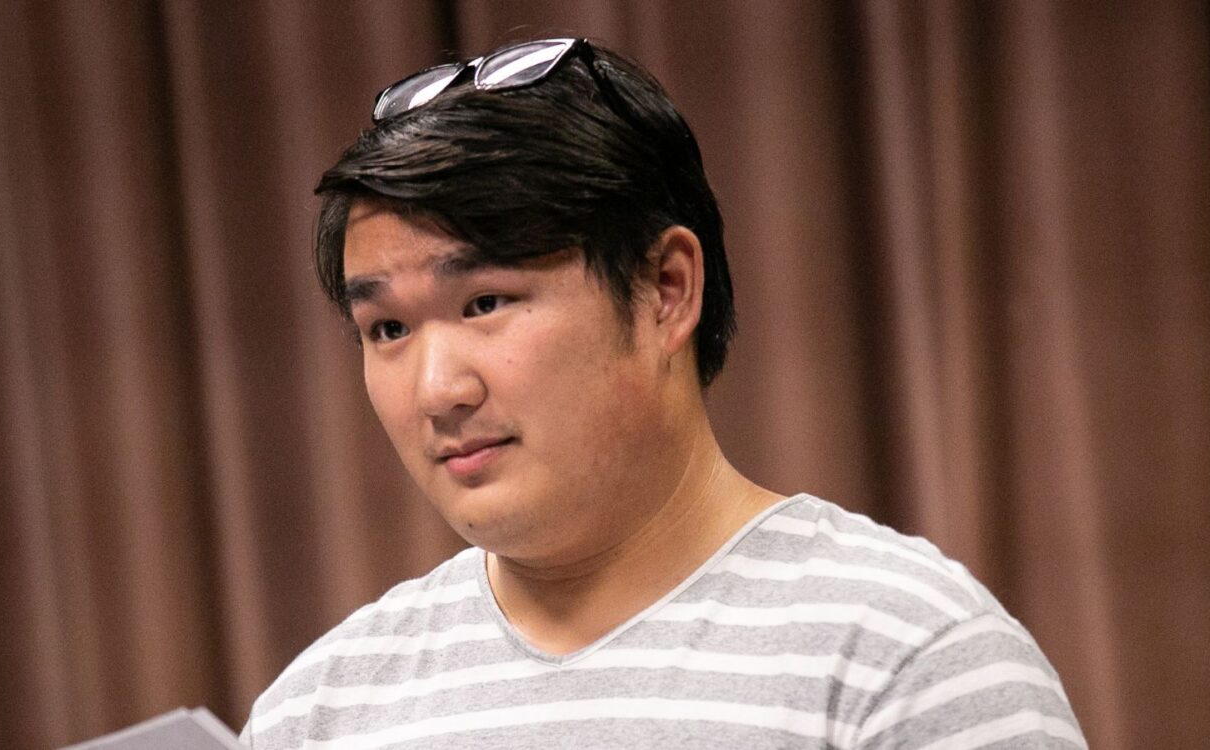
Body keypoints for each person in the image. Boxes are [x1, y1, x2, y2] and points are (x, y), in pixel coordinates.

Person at [242, 37, 1084, 749]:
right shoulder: (315, 715)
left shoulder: (907, 654)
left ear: (666, 290)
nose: (437, 390)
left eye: (485, 303)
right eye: (388, 329)